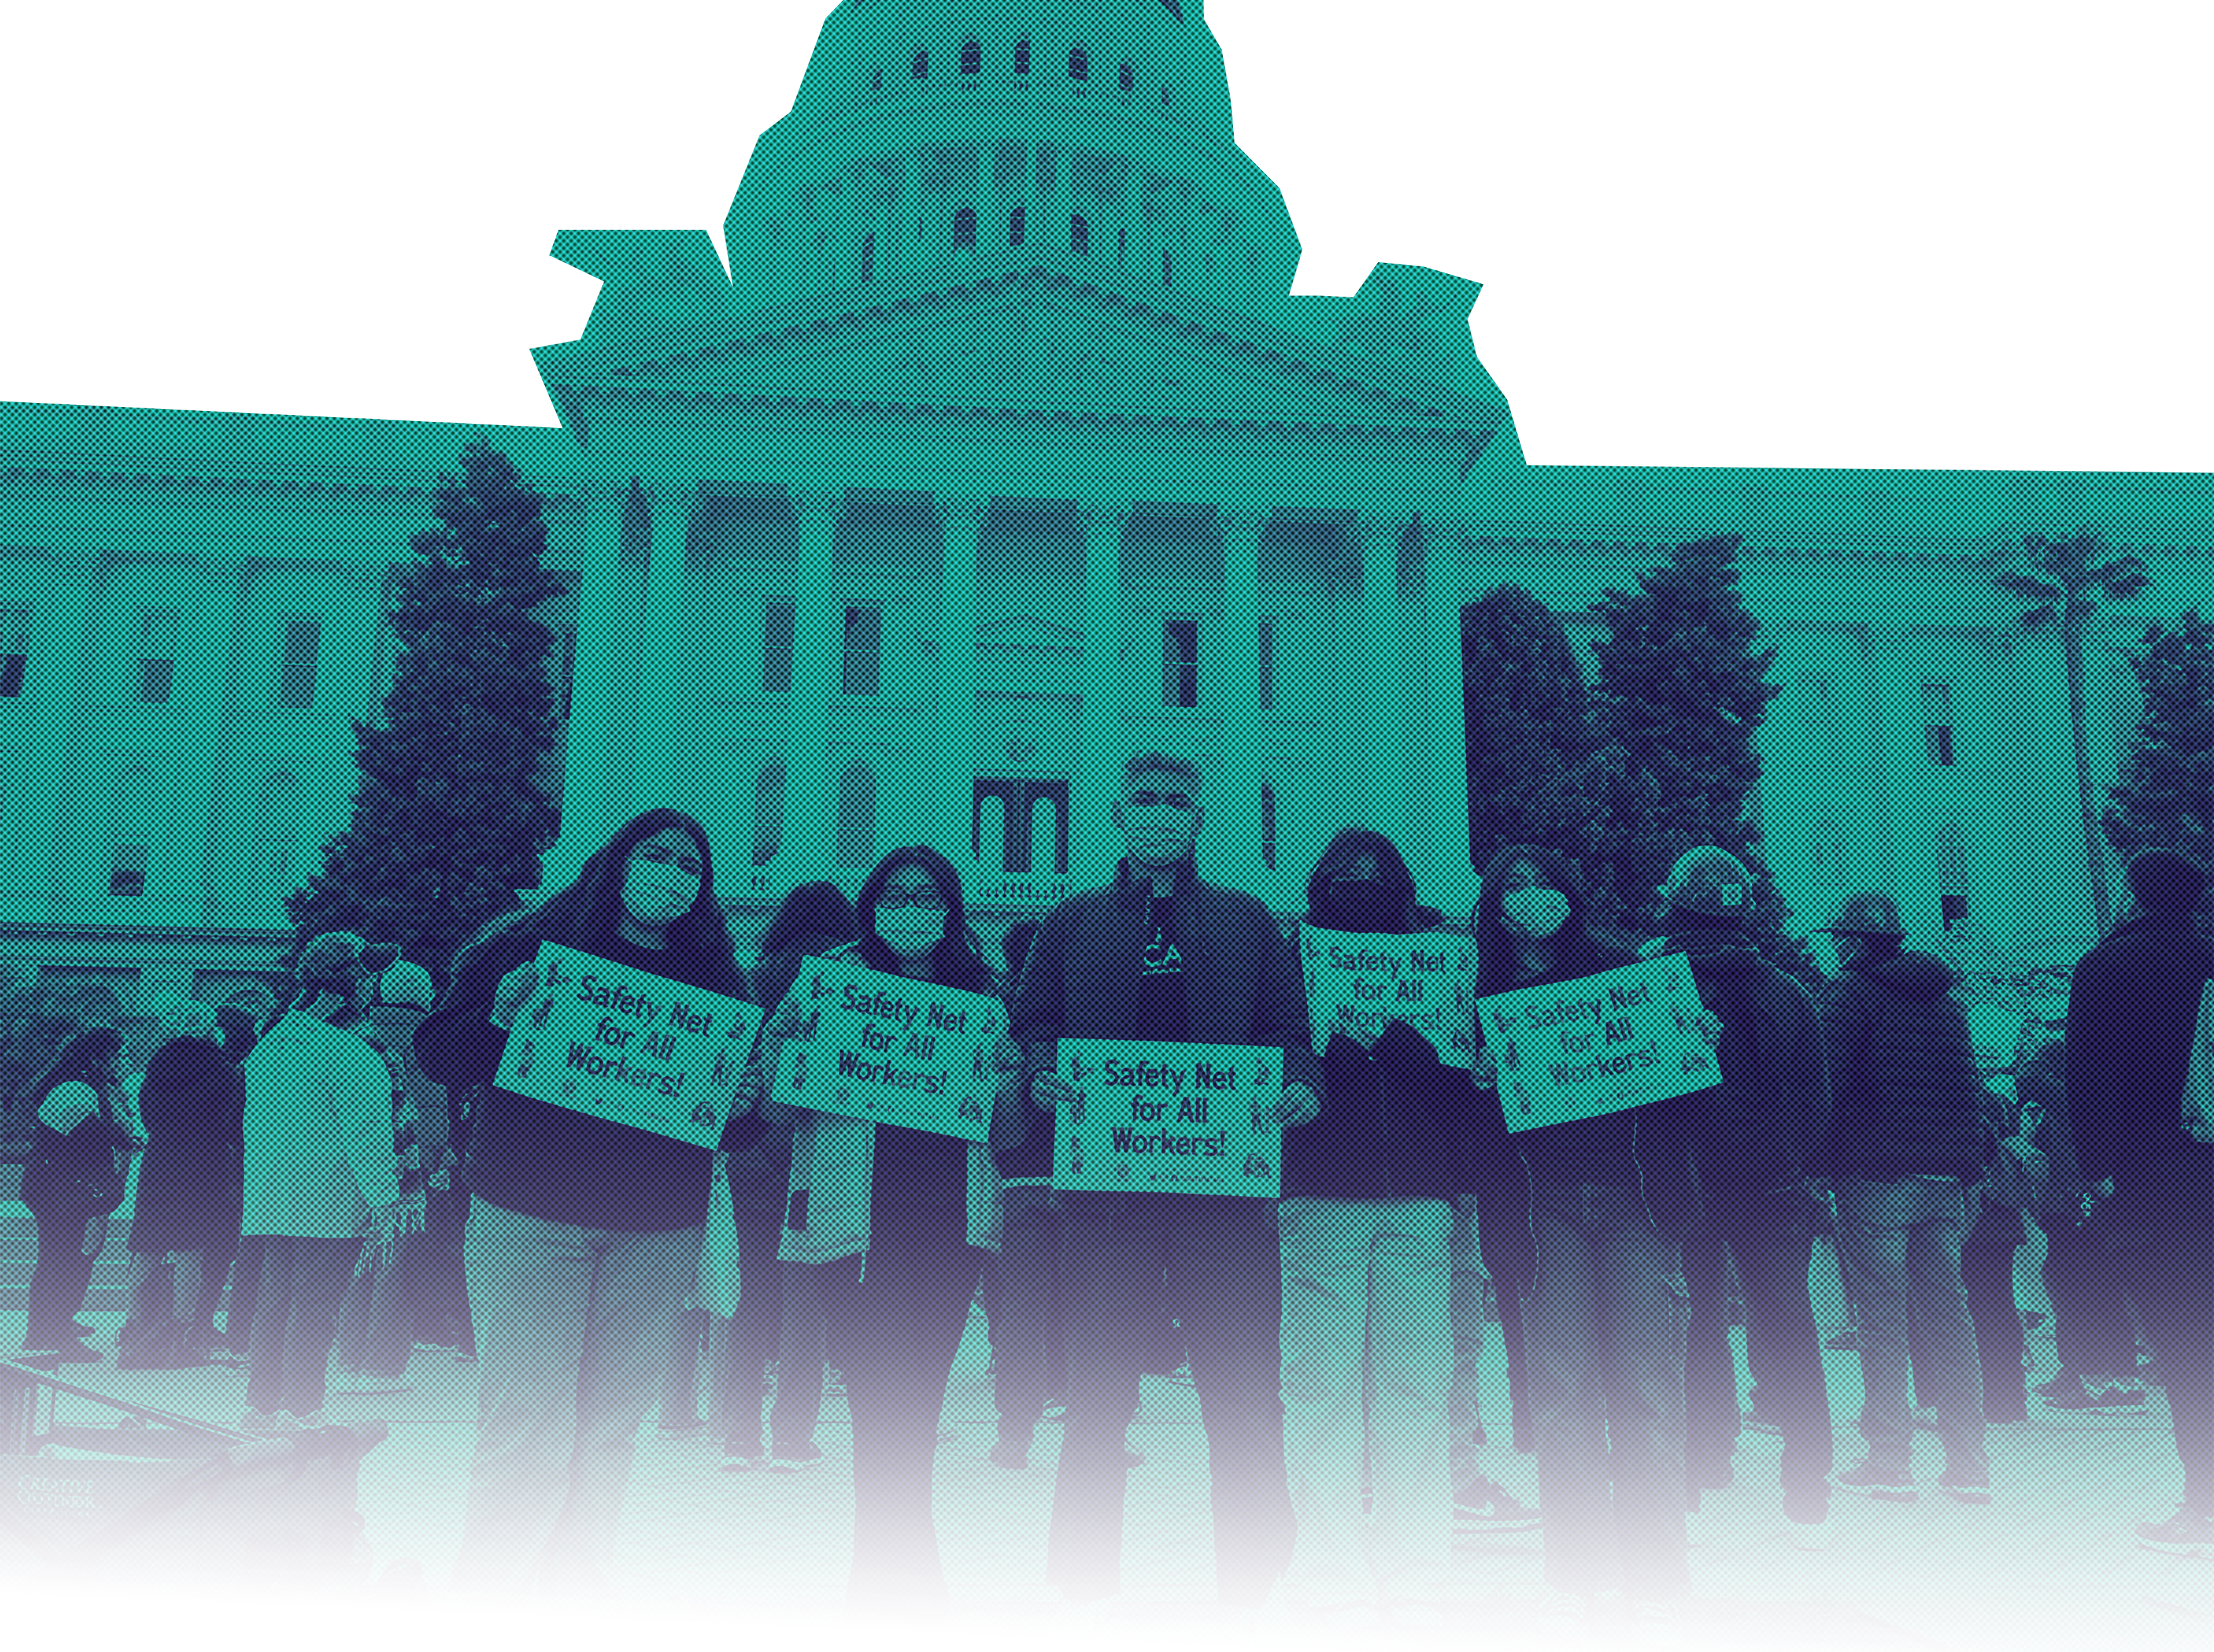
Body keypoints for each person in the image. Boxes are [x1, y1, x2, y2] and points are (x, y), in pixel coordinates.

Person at [1019, 751, 1319, 1648]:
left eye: (1174, 803)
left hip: (1218, 1200)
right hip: (1107, 1197)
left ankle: (1259, 1592)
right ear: (1115, 814)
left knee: (1242, 1393)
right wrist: (1041, 1075)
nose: (1158, 816)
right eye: (1142, 802)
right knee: (1099, 1393)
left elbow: (1285, 1034)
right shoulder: (1070, 921)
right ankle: (1083, 1588)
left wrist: (1300, 1086)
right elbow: (1034, 1024)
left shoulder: (1245, 920)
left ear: (1199, 818)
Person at [411, 810, 746, 1612]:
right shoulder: (529, 949)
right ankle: (490, 1590)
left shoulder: (713, 982)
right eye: (655, 854)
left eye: (689, 865)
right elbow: (441, 1052)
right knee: (525, 1416)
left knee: (609, 1424)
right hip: (532, 1212)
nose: (671, 873)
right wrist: (501, 1017)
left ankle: (578, 1589)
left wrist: (752, 1096)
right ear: (616, 860)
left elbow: (725, 1121)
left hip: (656, 1225)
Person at [751, 846, 1004, 1628]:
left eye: (927, 894)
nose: (911, 905)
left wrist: (1011, 1076)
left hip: (951, 1227)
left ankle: (901, 1589)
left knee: (917, 1407)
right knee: (878, 1400)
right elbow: (776, 1113)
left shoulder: (982, 996)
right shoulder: (829, 983)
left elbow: (1014, 1130)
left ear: (952, 906)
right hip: (855, 1227)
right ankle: (895, 1592)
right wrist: (791, 1047)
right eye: (895, 892)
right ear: (872, 901)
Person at [1471, 843, 1699, 1652]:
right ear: (1495, 905)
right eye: (1515, 888)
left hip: (1637, 1200)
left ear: (1572, 894)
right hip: (1543, 1209)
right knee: (1562, 1398)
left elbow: (1694, 1092)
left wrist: (1692, 1037)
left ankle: (1659, 1586)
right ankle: (1574, 1575)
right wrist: (1477, 1082)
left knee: (1646, 1392)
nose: (1533, 900)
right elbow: (1462, 1130)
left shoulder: (1625, 973)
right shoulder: (1477, 994)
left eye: (1546, 886)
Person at [1276, 827, 1462, 1635]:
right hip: (1322, 1195)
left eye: (1376, 875)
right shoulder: (1293, 959)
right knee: (1322, 1388)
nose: (1361, 885)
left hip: (1419, 1195)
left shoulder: (1439, 963)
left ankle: (1413, 1564)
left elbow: (1462, 1084)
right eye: (1345, 875)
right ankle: (1328, 1565)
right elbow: (1280, 1063)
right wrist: (1342, 1056)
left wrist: (1416, 1053)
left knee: (1417, 1388)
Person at [1644, 848, 1836, 1558]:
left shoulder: (1651, 984)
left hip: (1684, 1183)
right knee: (1790, 1325)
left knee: (1686, 1330)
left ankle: (1694, 1480)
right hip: (1772, 1187)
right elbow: (1814, 1101)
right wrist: (1790, 1163)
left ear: (1673, 904)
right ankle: (1808, 1496)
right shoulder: (1786, 991)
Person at [1814, 891, 2006, 1508]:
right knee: (1951, 1319)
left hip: (1876, 1180)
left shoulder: (1849, 997)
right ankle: (1968, 1464)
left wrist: (1815, 1165)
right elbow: (1970, 1093)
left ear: (1851, 942)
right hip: (1945, 1181)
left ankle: (1890, 1460)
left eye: (1836, 937)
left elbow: (1828, 1089)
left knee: (1882, 1324)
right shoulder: (1947, 1004)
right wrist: (1971, 1169)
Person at [2063, 848, 2214, 1559]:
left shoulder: (2111, 967)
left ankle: (2205, 1504)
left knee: (2187, 1343)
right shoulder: (2206, 958)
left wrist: (2095, 1171)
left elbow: (2092, 1077)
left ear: (2130, 893)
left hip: (2157, 1178)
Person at [714, 880, 858, 1472]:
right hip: (814, 1155)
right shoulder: (847, 981)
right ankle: (792, 1438)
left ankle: (738, 1435)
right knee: (807, 1305)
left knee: (750, 1301)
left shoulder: (758, 974)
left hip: (754, 1150)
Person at [238, 932, 406, 1435]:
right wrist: (386, 1204)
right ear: (356, 980)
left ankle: (262, 1406)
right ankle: (304, 1407)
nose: (373, 985)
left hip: (274, 1196)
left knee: (275, 1302)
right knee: (314, 1308)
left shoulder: (271, 1042)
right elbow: (368, 1138)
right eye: (369, 975)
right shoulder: (353, 1052)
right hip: (329, 1197)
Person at [986, 914, 1078, 1471]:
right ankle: (1098, 1428)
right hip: (1084, 1188)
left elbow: (1001, 1129)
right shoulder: (1095, 1024)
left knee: (1023, 1312)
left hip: (1022, 1185)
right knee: (1091, 1311)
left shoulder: (1015, 1028)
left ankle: (1014, 1431)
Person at [2018, 1011, 2144, 1410]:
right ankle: (2091, 1372)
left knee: (2081, 1285)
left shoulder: (2079, 1079)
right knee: (2091, 1281)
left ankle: (2094, 1377)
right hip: (2089, 1196)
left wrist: (2049, 1047)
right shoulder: (2110, 1074)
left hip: (2077, 1197)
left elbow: (2030, 1078)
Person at [332, 959, 441, 1396]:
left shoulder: (358, 1027)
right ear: (421, 993)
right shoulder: (426, 1031)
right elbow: (431, 1104)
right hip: (404, 1160)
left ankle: (349, 1359)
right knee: (397, 1266)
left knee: (358, 1262)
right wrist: (438, 1158)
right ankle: (381, 1366)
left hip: (352, 1160)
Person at [114, 996, 242, 1370]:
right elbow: (230, 1121)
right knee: (192, 1247)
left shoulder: (158, 1063)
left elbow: (148, 1115)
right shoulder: (221, 1066)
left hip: (161, 1159)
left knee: (148, 1245)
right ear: (209, 1030)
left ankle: (136, 1325)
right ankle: (184, 1334)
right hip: (205, 1162)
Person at [18, 1028, 134, 1359]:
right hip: (58, 1192)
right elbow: (97, 1136)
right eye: (119, 1055)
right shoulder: (74, 1089)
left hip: (60, 1189)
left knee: (67, 1259)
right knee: (60, 1260)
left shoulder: (86, 1087)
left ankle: (55, 1325)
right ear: (99, 1058)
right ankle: (47, 1335)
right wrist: (128, 1135)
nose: (124, 1061)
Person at [206, 989, 274, 1365]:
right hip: (259, 1173)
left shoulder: (226, 1069)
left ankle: (231, 1335)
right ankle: (246, 1337)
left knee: (233, 1255)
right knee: (263, 1258)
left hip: (230, 1171)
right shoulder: (258, 1068)